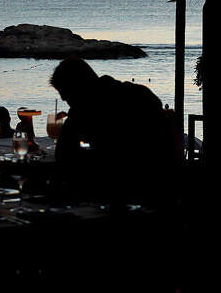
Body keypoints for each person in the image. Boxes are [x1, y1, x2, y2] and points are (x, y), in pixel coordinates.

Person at [49, 57, 177, 205]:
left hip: (115, 194)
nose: (66, 100)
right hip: (161, 190)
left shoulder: (83, 111)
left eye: (66, 94)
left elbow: (64, 155)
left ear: (77, 87)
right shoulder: (140, 94)